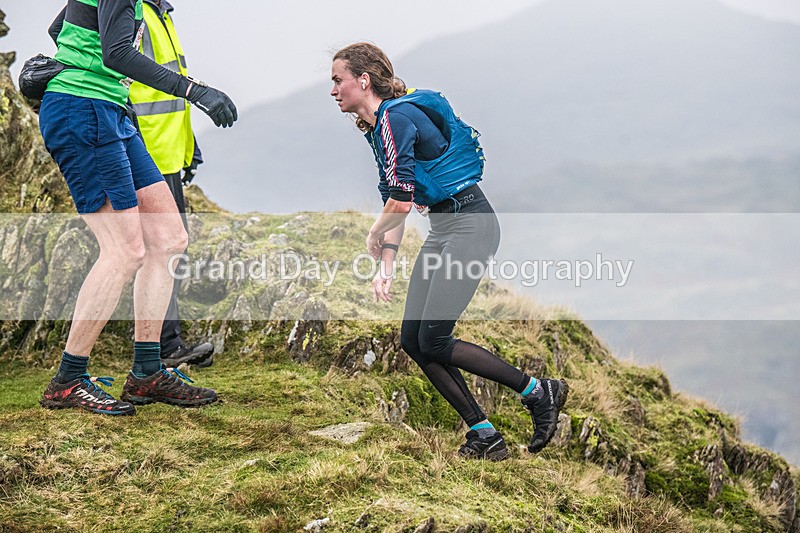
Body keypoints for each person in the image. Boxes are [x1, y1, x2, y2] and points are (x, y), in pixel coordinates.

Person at [330, 43, 568, 460]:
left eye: (337, 80)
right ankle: (484, 434)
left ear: (362, 80)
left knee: (435, 339)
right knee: (414, 340)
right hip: (446, 228)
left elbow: (399, 203)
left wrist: (373, 233)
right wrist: (385, 265)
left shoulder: (396, 118)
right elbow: (398, 197)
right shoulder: (377, 128)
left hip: (469, 227)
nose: (333, 90)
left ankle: (537, 391)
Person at [38, 0, 237, 415]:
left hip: (110, 108)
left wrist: (89, 69)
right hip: (82, 109)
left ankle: (147, 371)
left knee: (168, 237)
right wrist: (194, 90)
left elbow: (62, 27)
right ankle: (68, 380)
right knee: (125, 250)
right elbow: (116, 52)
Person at [128, 0, 213, 368]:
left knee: (168, 247)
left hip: (166, 153)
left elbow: (168, 93)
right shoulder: (135, 11)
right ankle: (163, 347)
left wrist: (189, 145)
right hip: (143, 151)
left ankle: (165, 344)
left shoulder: (160, 14)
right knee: (161, 248)